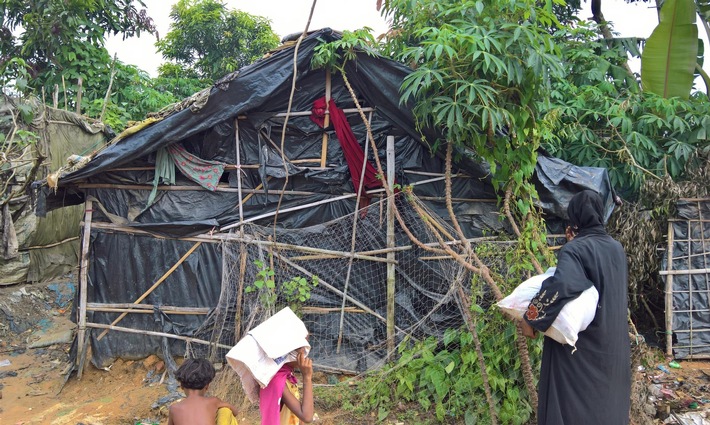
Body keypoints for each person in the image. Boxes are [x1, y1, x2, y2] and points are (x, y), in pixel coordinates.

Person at [521, 189, 631, 425]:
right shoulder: (617, 249)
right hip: (613, 347)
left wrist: (530, 318)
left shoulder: (574, 249)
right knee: (607, 405)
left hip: (580, 349)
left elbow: (563, 283)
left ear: (574, 219)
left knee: (571, 405)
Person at [167, 358, 240, 425]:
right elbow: (235, 412)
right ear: (207, 386)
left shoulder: (174, 408)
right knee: (225, 411)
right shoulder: (213, 401)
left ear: (181, 386)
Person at [259, 347, 314, 425]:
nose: (304, 354)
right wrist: (307, 378)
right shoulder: (277, 380)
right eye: (301, 349)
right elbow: (307, 417)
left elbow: (298, 414)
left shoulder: (286, 373)